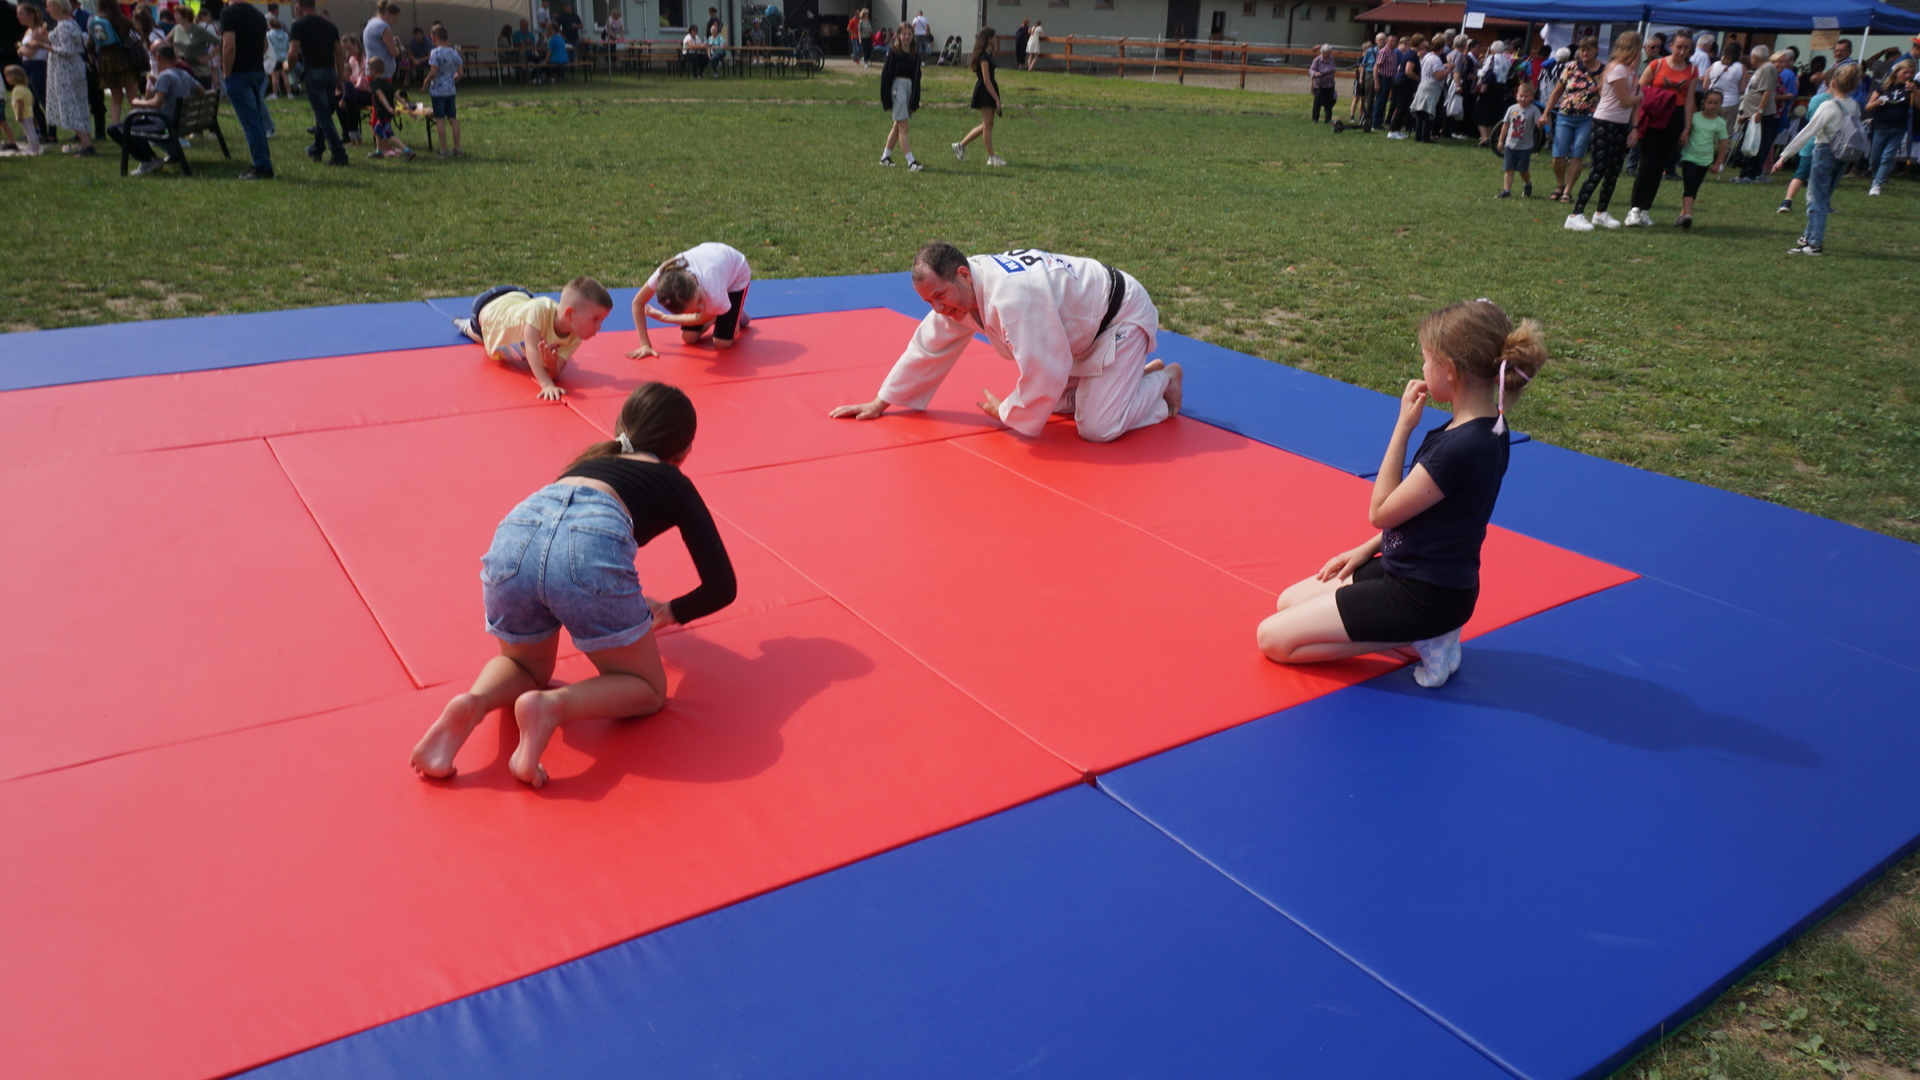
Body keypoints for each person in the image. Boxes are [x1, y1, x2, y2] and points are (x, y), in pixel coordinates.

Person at [410, 382, 737, 789]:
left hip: (514, 535)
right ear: (684, 450)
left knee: (526, 667)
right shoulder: (673, 481)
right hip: (586, 549)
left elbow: (553, 540)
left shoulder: (587, 463)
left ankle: (473, 702)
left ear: (621, 428)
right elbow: (722, 586)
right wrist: (668, 612)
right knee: (648, 689)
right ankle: (552, 706)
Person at [1256, 300, 1546, 688]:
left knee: (1273, 640)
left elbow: (1380, 511)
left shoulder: (1462, 448)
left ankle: (1426, 636)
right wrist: (1366, 549)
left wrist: (1403, 428)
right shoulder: (1489, 427)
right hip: (1414, 571)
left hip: (1424, 595)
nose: (1422, 369)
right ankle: (1426, 633)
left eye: (1426, 360)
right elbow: (1435, 516)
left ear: (1449, 369)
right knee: (1288, 602)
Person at [831, 242, 1185, 444]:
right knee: (1058, 404)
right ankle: (1127, 381)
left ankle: (1162, 381)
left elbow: (1047, 369)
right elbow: (928, 346)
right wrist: (881, 401)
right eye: (929, 302)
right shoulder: (965, 291)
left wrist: (1008, 410)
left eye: (939, 296)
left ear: (963, 275)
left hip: (1120, 317)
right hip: (1082, 332)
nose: (938, 308)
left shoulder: (1011, 296)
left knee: (1097, 428)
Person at [455, 278, 613, 397]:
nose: (599, 327)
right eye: (595, 320)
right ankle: (467, 326)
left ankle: (471, 328)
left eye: (602, 320)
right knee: (483, 336)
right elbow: (531, 348)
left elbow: (554, 373)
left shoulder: (575, 335)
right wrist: (546, 384)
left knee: (494, 344)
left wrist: (551, 366)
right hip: (490, 305)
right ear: (570, 314)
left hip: (518, 308)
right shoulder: (539, 310)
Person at [1773, 63, 1862, 255]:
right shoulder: (1854, 106)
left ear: (1832, 83)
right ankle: (1808, 235)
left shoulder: (1829, 105)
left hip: (1825, 151)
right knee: (1824, 197)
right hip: (1844, 154)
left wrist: (1785, 155)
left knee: (1816, 199)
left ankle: (1814, 244)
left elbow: (1808, 132)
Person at [1566, 30, 1641, 231]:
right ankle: (1575, 214)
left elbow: (1633, 105)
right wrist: (1642, 96)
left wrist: (1634, 127)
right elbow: (1626, 100)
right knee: (1598, 169)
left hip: (1621, 124)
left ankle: (1601, 212)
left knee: (1614, 170)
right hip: (1605, 122)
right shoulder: (1617, 69)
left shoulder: (1631, 72)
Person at [1621, 29, 1695, 228]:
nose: (1682, 51)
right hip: (1654, 115)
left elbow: (1689, 100)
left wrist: (1687, 126)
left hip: (1675, 117)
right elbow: (1639, 90)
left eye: (1686, 48)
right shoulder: (1657, 64)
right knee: (1647, 163)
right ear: (1671, 46)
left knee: (1660, 165)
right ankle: (1634, 209)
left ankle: (1645, 209)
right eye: (1679, 47)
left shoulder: (1692, 70)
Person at [627, 243, 753, 356]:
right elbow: (638, 303)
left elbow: (701, 318)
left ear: (694, 282)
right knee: (689, 337)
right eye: (691, 310)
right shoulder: (666, 276)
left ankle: (732, 311)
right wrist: (645, 344)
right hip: (713, 267)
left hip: (736, 275)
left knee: (722, 342)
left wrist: (664, 318)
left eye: (699, 301)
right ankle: (722, 311)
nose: (700, 307)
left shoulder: (713, 291)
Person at [107, 41, 196, 174]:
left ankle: (148, 159)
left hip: (162, 122)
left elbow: (156, 103)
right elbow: (201, 90)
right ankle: (172, 153)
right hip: (177, 121)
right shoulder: (184, 74)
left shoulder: (165, 75)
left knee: (115, 130)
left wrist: (138, 101)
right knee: (133, 125)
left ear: (158, 58)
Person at [1542, 35, 1601, 202]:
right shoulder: (1571, 67)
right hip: (1565, 115)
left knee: (1577, 154)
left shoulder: (1603, 70)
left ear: (1596, 50)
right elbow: (1557, 91)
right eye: (1582, 50)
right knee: (1558, 154)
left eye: (1588, 50)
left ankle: (1568, 190)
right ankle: (1560, 184)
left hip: (1587, 118)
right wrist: (1546, 113)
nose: (1584, 53)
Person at [287, 0, 346, 165]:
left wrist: (287, 67)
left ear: (299, 6)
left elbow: (293, 53)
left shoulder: (298, 25)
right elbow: (340, 55)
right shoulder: (330, 26)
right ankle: (317, 149)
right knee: (323, 113)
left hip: (314, 73)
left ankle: (339, 154)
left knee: (323, 116)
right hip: (330, 73)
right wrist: (340, 78)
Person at [219, 0, 273, 178]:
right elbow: (265, 46)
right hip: (257, 71)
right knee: (256, 120)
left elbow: (229, 46)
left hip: (238, 73)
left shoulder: (228, 13)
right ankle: (264, 161)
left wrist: (227, 73)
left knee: (250, 123)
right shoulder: (258, 15)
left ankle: (262, 166)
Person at [1674, 88, 1729, 228]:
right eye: (1709, 102)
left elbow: (1723, 143)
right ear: (1704, 102)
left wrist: (1718, 162)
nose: (1712, 106)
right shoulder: (1694, 118)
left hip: (1705, 160)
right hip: (1689, 157)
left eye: (1716, 103)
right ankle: (1688, 215)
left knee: (1695, 187)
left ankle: (1683, 215)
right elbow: (1685, 133)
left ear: (1721, 104)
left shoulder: (1720, 123)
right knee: (1690, 185)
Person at [43, 0, 91, 155]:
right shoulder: (69, 23)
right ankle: (85, 141)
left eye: (49, 6)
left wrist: (43, 46)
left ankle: (87, 145)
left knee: (71, 105)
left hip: (66, 70)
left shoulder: (65, 25)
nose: (47, 9)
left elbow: (67, 50)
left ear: (58, 6)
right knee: (78, 103)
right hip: (71, 68)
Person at [951, 26, 1004, 165]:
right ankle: (992, 157)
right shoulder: (983, 56)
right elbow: (986, 79)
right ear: (989, 38)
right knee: (987, 125)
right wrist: (996, 99)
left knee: (988, 124)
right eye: (994, 37)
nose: (996, 39)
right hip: (985, 90)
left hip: (989, 88)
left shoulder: (988, 53)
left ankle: (961, 145)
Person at [89, 0, 144, 128]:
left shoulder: (96, 22)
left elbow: (91, 45)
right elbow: (139, 36)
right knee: (133, 97)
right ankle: (138, 125)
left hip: (106, 62)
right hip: (125, 60)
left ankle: (115, 127)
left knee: (116, 98)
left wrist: (92, 61)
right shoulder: (123, 20)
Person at [1863, 60, 1912, 195]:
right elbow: (1868, 106)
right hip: (1880, 126)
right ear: (1897, 72)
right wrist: (1877, 102)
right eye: (1905, 72)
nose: (1908, 75)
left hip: (1899, 127)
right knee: (1874, 159)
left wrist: (1915, 90)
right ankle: (1877, 177)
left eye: (1911, 73)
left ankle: (1877, 184)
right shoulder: (1884, 86)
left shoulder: (1911, 87)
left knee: (1887, 157)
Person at [1731, 45, 1776, 182]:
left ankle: (1751, 174)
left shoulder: (1768, 68)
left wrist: (1759, 111)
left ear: (1754, 57)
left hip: (1760, 115)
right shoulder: (1761, 69)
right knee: (1748, 143)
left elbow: (1767, 91)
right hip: (1751, 114)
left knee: (1756, 144)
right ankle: (1744, 173)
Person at [878, 23, 921, 170]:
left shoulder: (915, 54)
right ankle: (911, 161)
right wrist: (886, 100)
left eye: (909, 34)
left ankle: (885, 157)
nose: (907, 37)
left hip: (908, 88)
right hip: (897, 89)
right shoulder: (894, 52)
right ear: (899, 36)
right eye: (904, 34)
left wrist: (914, 101)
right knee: (904, 126)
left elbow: (917, 78)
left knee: (897, 126)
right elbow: (886, 76)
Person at [1496, 79, 1541, 198]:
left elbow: (1538, 124)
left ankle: (1527, 183)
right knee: (1508, 168)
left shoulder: (1534, 110)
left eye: (1526, 96)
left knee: (1523, 170)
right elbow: (1505, 125)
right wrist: (1501, 140)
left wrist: (1541, 123)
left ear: (1532, 97)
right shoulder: (1512, 109)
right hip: (1510, 145)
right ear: (1516, 96)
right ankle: (1507, 191)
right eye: (1521, 96)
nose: (1523, 99)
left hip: (1525, 147)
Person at [422, 23, 460, 156]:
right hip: (450, 90)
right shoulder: (454, 52)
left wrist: (426, 80)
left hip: (438, 91)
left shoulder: (435, 52)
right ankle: (457, 148)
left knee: (440, 120)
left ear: (434, 37)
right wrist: (452, 80)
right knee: (453, 119)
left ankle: (443, 149)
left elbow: (434, 72)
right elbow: (460, 73)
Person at [366, 55, 413, 160]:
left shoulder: (374, 83)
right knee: (377, 129)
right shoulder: (387, 83)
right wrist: (407, 107)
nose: (368, 71)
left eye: (369, 69)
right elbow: (397, 96)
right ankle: (379, 151)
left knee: (389, 134)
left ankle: (407, 151)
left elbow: (380, 96)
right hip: (387, 113)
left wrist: (388, 108)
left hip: (383, 112)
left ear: (374, 70)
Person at [15, 4, 50, 141]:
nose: (18, 17)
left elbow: (29, 53)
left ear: (31, 16)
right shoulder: (28, 31)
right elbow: (22, 50)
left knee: (43, 98)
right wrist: (22, 50)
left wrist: (22, 50)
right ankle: (41, 130)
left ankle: (51, 132)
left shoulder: (38, 31)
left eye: (21, 14)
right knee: (32, 101)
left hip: (37, 66)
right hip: (27, 66)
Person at [1386, 33, 1417, 138]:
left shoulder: (1408, 53)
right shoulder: (1408, 54)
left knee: (1403, 107)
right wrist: (1419, 78)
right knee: (1400, 107)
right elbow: (1405, 70)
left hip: (1403, 83)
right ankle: (1392, 130)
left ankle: (1397, 129)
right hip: (1401, 82)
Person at [362, 2, 398, 89]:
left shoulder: (371, 23)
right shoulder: (383, 27)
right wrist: (397, 45)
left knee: (376, 95)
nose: (396, 21)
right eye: (395, 18)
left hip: (372, 68)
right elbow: (394, 52)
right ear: (388, 14)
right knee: (383, 96)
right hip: (382, 72)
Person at [5, 64, 38, 153]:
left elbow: (20, 104)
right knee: (32, 131)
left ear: (14, 77)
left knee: (28, 132)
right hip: (29, 113)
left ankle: (32, 148)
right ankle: (35, 146)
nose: (6, 79)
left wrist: (19, 116)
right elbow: (32, 100)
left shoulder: (17, 90)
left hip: (23, 115)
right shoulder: (25, 88)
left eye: (8, 76)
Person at [1352, 32, 1381, 124]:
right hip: (1364, 78)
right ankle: (1353, 115)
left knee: (1364, 99)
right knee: (1358, 98)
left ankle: (1363, 116)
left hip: (1372, 77)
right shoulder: (1361, 58)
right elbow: (1361, 67)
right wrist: (1361, 78)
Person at [1309, 43, 1337, 123]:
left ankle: (1328, 119)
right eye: (1328, 52)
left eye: (1330, 52)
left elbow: (1333, 68)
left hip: (1330, 84)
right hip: (1320, 85)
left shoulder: (1331, 59)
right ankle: (1315, 118)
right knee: (1317, 102)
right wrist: (1316, 74)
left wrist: (1331, 72)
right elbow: (1311, 71)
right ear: (1323, 52)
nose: (1329, 54)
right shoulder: (1317, 60)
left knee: (1329, 102)